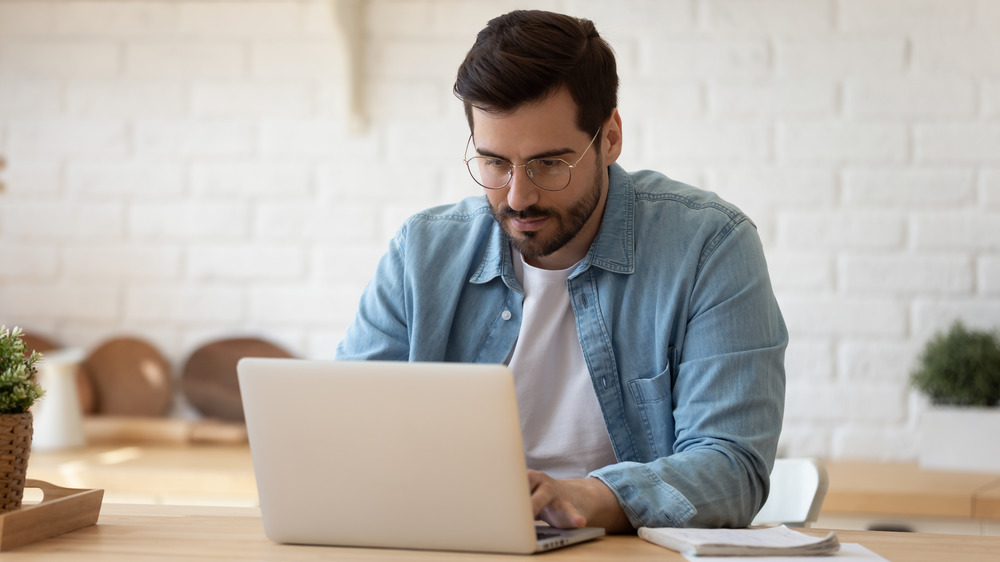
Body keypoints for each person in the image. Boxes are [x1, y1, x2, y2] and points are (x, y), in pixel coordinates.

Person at [336, 9, 786, 532]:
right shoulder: (421, 253)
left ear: (610, 138)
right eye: (495, 163)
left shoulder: (710, 246)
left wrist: (585, 496)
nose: (518, 196)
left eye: (550, 163)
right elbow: (347, 434)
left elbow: (733, 469)